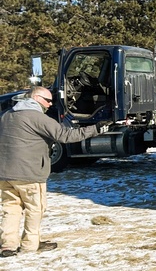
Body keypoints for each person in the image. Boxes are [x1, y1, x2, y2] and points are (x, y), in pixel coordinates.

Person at [0, 86, 100, 257]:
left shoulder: (7, 115)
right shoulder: (38, 117)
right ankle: (30, 245)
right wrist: (97, 128)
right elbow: (67, 136)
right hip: (29, 174)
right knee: (35, 208)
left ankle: (7, 245)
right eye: (47, 100)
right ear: (36, 98)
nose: (50, 104)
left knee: (10, 208)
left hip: (5, 173)